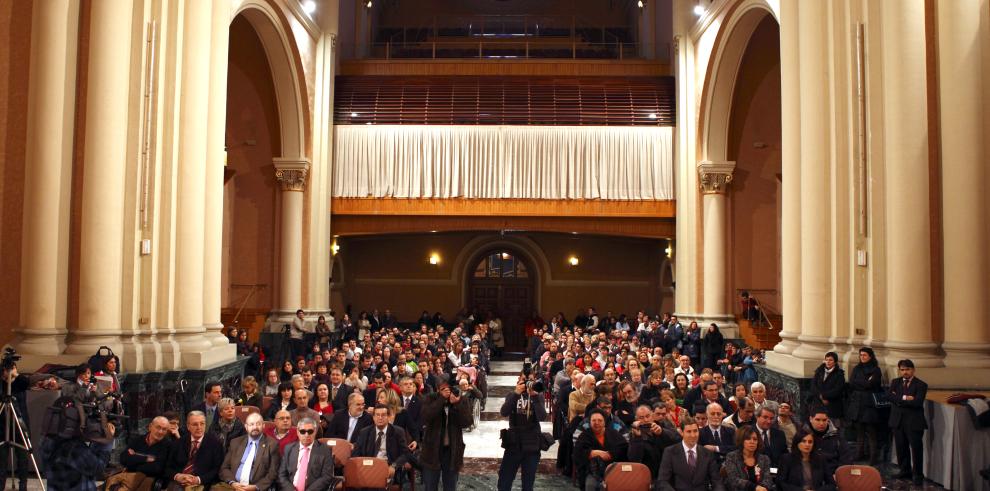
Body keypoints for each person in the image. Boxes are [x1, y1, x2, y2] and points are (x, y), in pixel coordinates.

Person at [420, 379, 473, 491]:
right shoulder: (430, 398)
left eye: (448, 388)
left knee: (450, 486)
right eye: (443, 389)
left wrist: (457, 404)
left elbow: (467, 422)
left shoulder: (460, 399)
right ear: (438, 389)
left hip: (452, 451)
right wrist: (441, 399)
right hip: (432, 450)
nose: (447, 391)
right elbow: (425, 417)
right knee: (430, 486)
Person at [496, 376, 546, 491]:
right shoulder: (512, 395)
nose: (527, 384)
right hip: (514, 443)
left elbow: (542, 417)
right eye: (523, 382)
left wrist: (534, 397)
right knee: (504, 481)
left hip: (532, 444)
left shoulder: (538, 396)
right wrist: (516, 394)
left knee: (528, 483)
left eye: (530, 381)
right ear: (518, 383)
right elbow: (504, 412)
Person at [656, 416, 725, 491]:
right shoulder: (670, 452)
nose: (693, 435)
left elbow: (717, 481)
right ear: (682, 433)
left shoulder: (707, 453)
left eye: (695, 431)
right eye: (689, 432)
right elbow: (663, 481)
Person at [216, 412, 281, 490]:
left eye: (258, 424)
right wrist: (233, 483)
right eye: (251, 424)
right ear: (246, 427)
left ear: (263, 426)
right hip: (233, 486)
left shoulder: (272, 444)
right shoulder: (235, 442)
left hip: (255, 487)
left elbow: (273, 473)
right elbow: (224, 468)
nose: (255, 427)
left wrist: (256, 487)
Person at [43, 421, 116, 491]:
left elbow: (87, 462)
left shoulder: (52, 442)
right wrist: (107, 440)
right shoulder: (74, 447)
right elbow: (98, 467)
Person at [888, 359, 928, 485]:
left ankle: (917, 474)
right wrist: (906, 398)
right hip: (898, 421)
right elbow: (889, 397)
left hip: (914, 422)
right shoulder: (895, 382)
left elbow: (917, 402)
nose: (905, 372)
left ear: (913, 370)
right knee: (901, 447)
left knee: (916, 449)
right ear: (899, 370)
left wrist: (898, 398)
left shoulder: (921, 385)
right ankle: (904, 470)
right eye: (902, 369)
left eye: (908, 369)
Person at [107, 416, 174, 491]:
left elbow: (157, 468)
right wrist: (145, 459)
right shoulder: (137, 440)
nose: (160, 432)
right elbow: (123, 458)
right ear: (150, 427)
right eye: (158, 427)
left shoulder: (168, 445)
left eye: (164, 429)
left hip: (150, 479)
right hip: (129, 476)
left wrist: (134, 459)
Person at [164, 411, 224, 490]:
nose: (199, 427)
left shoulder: (215, 444)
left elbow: (217, 470)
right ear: (188, 426)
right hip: (179, 482)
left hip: (203, 483)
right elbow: (167, 467)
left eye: (202, 423)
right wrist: (177, 476)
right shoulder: (178, 442)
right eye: (195, 424)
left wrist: (198, 480)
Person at [353, 404, 412, 482]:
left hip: (388, 467)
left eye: (383, 415)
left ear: (388, 417)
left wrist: (393, 466)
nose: (380, 418)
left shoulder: (398, 432)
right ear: (373, 417)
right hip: (368, 466)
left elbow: (405, 454)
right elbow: (356, 453)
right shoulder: (365, 432)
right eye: (377, 415)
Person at [574, 409, 628, 491]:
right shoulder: (584, 435)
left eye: (600, 420)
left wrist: (610, 454)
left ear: (604, 422)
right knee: (590, 485)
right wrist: (591, 453)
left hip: (613, 470)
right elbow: (577, 453)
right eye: (593, 420)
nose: (597, 423)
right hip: (592, 472)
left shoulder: (614, 433)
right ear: (589, 422)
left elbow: (624, 448)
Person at [277, 418, 338, 490]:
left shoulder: (325, 450)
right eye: (302, 431)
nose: (306, 435)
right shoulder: (289, 448)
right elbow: (282, 475)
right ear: (297, 432)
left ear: (315, 432)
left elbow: (326, 476)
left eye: (310, 431)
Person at [847, 346, 882, 464]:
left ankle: (873, 457)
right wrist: (866, 382)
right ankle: (859, 453)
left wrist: (862, 383)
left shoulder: (876, 370)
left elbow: (872, 384)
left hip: (869, 404)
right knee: (859, 431)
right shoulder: (857, 368)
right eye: (861, 355)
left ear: (870, 356)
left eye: (865, 355)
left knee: (871, 432)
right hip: (857, 403)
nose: (862, 357)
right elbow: (852, 382)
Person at [628, 404, 682, 479]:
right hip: (650, 475)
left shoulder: (662, 424)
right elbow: (634, 459)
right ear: (636, 419)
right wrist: (637, 438)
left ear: (652, 415)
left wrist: (662, 432)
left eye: (648, 416)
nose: (646, 420)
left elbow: (679, 439)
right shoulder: (635, 434)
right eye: (641, 418)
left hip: (668, 471)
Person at [801, 406, 852, 477]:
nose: (821, 423)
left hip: (833, 474)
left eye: (824, 420)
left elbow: (846, 458)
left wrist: (838, 475)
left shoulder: (837, 436)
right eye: (818, 420)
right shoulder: (802, 435)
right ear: (811, 419)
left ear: (828, 420)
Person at [722, 426, 774, 491]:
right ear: (741, 440)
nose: (752, 442)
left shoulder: (764, 459)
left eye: (755, 439)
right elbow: (734, 480)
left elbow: (768, 479)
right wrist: (755, 487)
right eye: (748, 439)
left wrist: (762, 488)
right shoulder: (732, 456)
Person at [807, 353, 845, 427]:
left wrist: (825, 396)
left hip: (832, 405)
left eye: (830, 360)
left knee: (832, 428)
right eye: (826, 360)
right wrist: (821, 397)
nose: (828, 362)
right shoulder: (819, 371)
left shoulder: (839, 374)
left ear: (835, 362)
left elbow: (838, 390)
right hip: (818, 403)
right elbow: (813, 386)